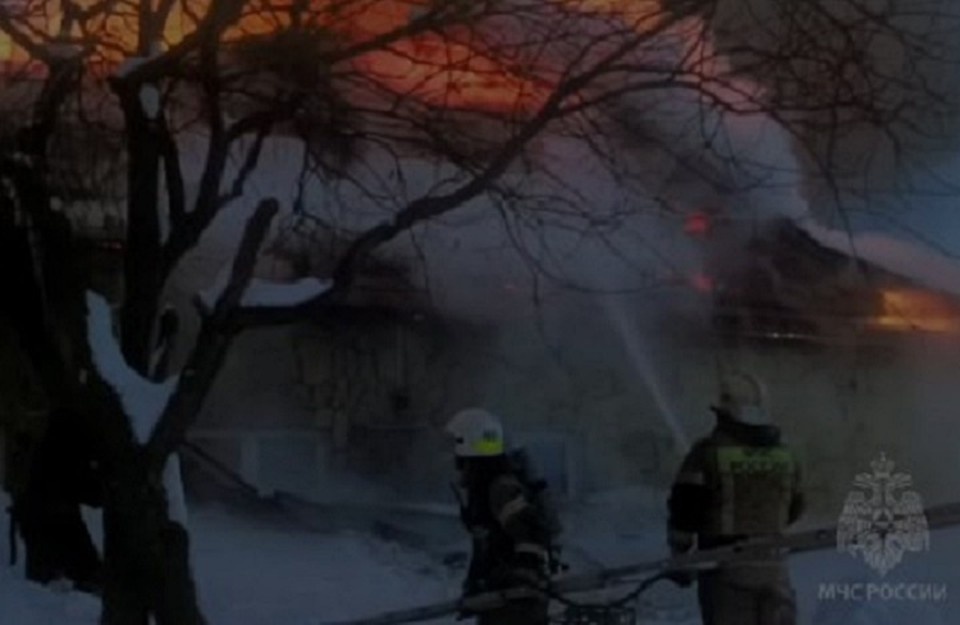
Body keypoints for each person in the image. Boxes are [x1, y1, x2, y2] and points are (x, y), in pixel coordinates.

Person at [667, 372, 805, 625]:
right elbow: (796, 507)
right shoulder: (786, 456)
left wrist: (680, 556)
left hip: (725, 570)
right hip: (774, 568)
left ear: (724, 413)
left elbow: (685, 509)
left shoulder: (707, 453)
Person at [446, 408, 551, 625]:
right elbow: (486, 544)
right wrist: (476, 586)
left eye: (457, 443)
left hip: (515, 604)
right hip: (500, 600)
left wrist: (520, 580)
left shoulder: (500, 488)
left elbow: (531, 534)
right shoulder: (485, 487)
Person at [15, 405, 103, 594]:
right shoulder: (67, 441)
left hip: (45, 515)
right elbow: (85, 487)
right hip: (53, 518)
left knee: (43, 588)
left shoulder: (57, 438)